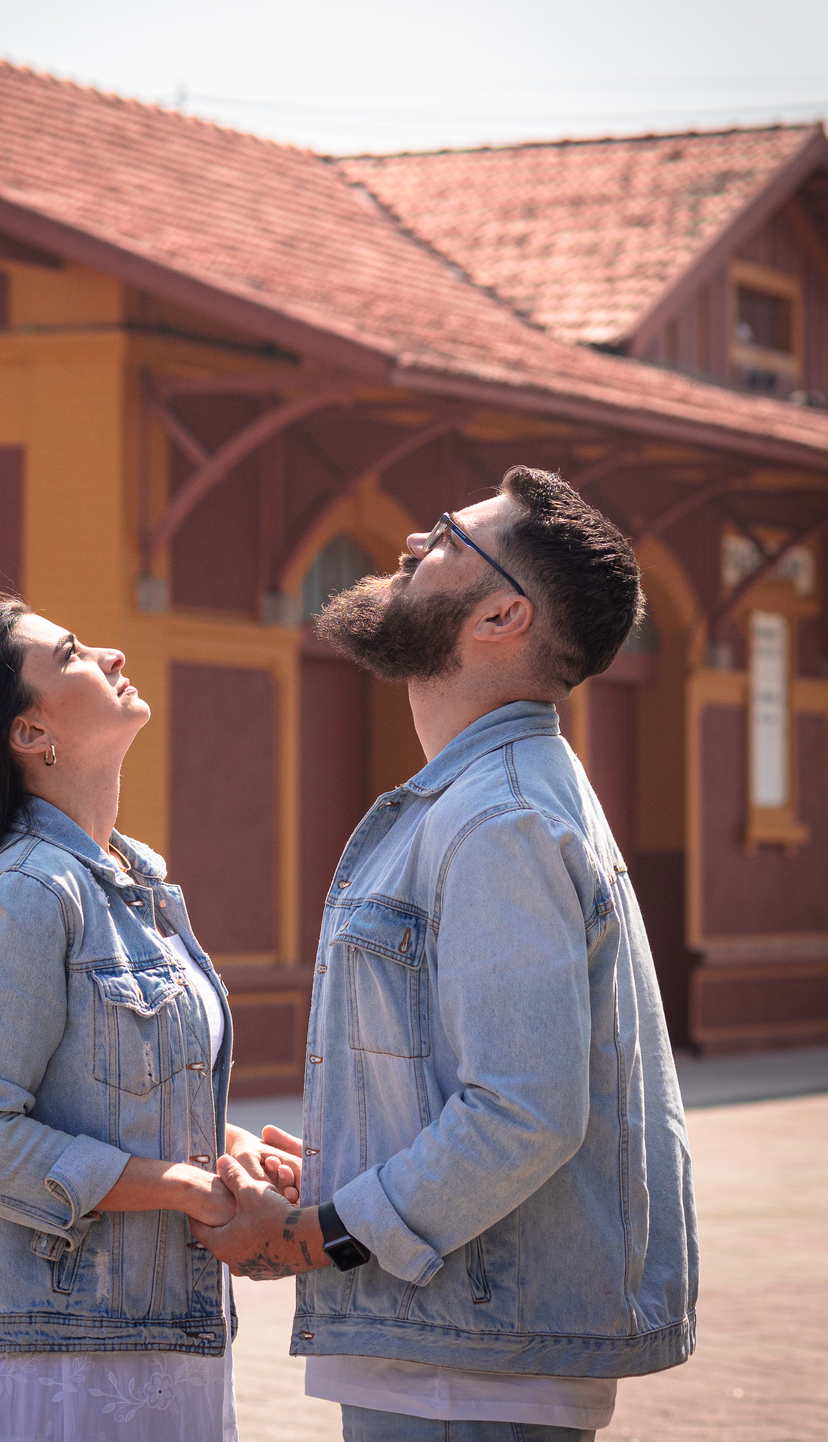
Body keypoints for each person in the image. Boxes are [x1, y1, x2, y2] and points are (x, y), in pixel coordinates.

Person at [192, 467, 698, 1442]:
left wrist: (314, 1237)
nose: (410, 549)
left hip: (467, 1367)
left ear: (502, 615)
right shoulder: (487, 800)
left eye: (446, 540)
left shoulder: (499, 818)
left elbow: (520, 1110)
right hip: (453, 1347)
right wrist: (350, 1166)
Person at [0, 596, 299, 1442]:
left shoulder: (134, 881)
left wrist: (220, 1148)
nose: (107, 652)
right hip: (58, 1357)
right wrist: (181, 1187)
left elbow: (105, 1089)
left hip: (158, 1330)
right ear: (29, 733)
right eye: (69, 654)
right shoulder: (33, 893)